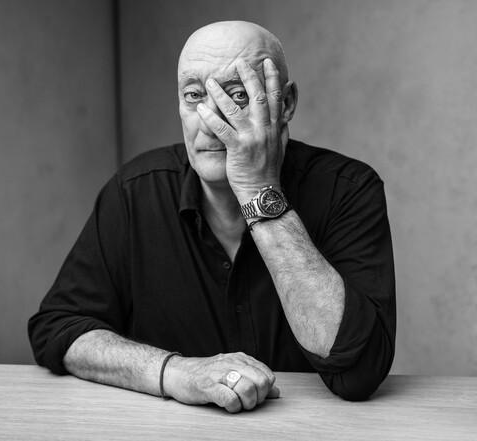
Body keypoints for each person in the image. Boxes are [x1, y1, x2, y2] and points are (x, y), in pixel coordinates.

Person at [28, 20, 395, 413]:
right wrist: (174, 372)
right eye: (194, 96)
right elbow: (59, 328)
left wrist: (258, 189)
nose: (209, 120)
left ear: (286, 103)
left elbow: (359, 371)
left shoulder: (348, 189)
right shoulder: (135, 191)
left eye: (237, 95)